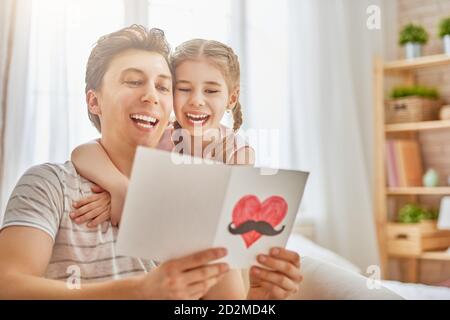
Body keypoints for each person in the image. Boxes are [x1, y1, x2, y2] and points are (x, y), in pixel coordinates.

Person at [0, 25, 301, 299]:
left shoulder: (192, 197)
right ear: (94, 101)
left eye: (163, 87)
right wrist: (139, 291)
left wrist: (261, 302)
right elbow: (7, 286)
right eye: (133, 81)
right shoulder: (50, 185)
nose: (151, 96)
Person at [69, 38, 255, 227]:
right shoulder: (160, 136)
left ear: (231, 98)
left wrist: (137, 199)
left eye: (211, 90)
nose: (196, 101)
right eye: (183, 89)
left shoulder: (237, 153)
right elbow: (84, 152)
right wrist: (121, 189)